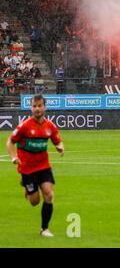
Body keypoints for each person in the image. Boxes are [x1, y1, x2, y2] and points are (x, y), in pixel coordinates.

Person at [6, 94, 64, 237]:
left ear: (45, 107)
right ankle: (27, 186)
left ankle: (44, 229)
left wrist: (60, 147)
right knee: (34, 202)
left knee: (49, 195)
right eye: (34, 106)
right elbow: (10, 142)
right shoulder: (24, 126)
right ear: (31, 108)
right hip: (27, 169)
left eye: (40, 106)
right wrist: (14, 157)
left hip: (43, 166)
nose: (37, 109)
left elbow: (57, 141)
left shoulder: (50, 126)